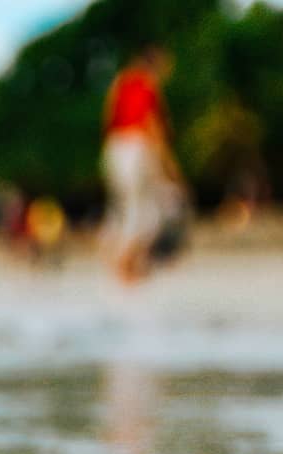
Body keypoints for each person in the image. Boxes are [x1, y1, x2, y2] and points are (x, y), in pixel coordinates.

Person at [101, 46, 183, 283]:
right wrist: (168, 162)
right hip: (137, 146)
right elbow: (151, 123)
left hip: (115, 146)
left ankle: (121, 264)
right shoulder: (148, 84)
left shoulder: (120, 81)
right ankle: (126, 267)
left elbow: (108, 116)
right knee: (148, 210)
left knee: (122, 208)